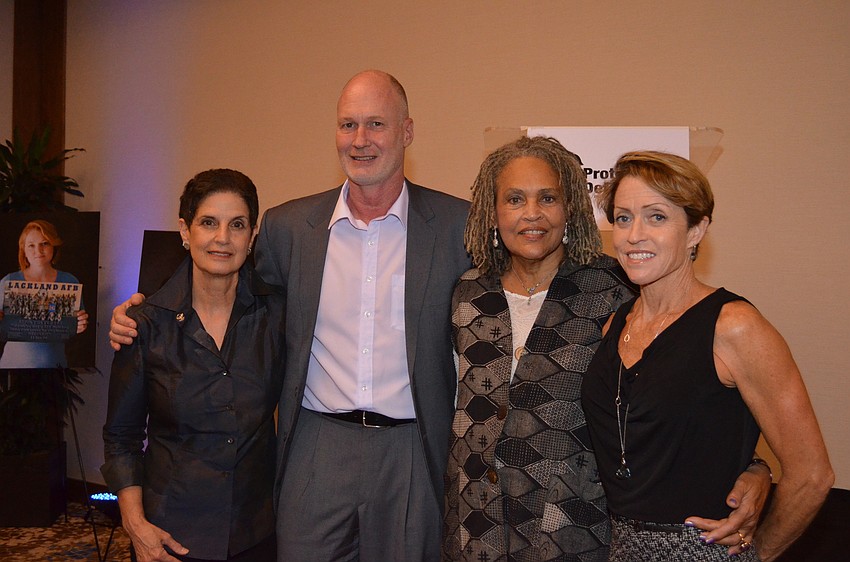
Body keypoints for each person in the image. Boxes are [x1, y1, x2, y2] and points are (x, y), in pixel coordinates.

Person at [110, 70, 471, 561]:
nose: (359, 140)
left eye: (376, 124)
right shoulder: (288, 228)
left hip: (411, 448)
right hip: (314, 445)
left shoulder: (456, 227)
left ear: (407, 131)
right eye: (347, 125)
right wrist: (145, 309)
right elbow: (223, 274)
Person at [444, 138, 773, 561]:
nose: (532, 213)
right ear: (493, 212)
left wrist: (753, 467)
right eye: (514, 199)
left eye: (548, 198)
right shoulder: (467, 293)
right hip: (475, 525)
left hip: (571, 528)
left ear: (571, 208)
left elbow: (675, 401)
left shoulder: (616, 291)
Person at [581, 151, 834, 561]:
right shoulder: (615, 324)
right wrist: (756, 467)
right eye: (623, 218)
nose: (633, 235)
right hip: (621, 547)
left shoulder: (733, 326)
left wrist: (756, 554)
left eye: (657, 217)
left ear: (696, 230)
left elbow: (813, 475)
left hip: (703, 550)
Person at [102, 169, 285, 562]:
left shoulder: (277, 316)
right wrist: (135, 526)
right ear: (185, 231)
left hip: (255, 533)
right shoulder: (144, 325)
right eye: (208, 223)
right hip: (169, 536)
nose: (223, 238)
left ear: (252, 235)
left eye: (237, 225)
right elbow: (121, 437)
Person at [0, 219, 88, 369]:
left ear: (53, 245)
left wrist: (80, 324)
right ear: (23, 250)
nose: (38, 250)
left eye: (45, 243)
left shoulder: (69, 281)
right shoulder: (8, 281)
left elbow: (74, 326)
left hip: (55, 365)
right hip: (13, 366)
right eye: (31, 245)